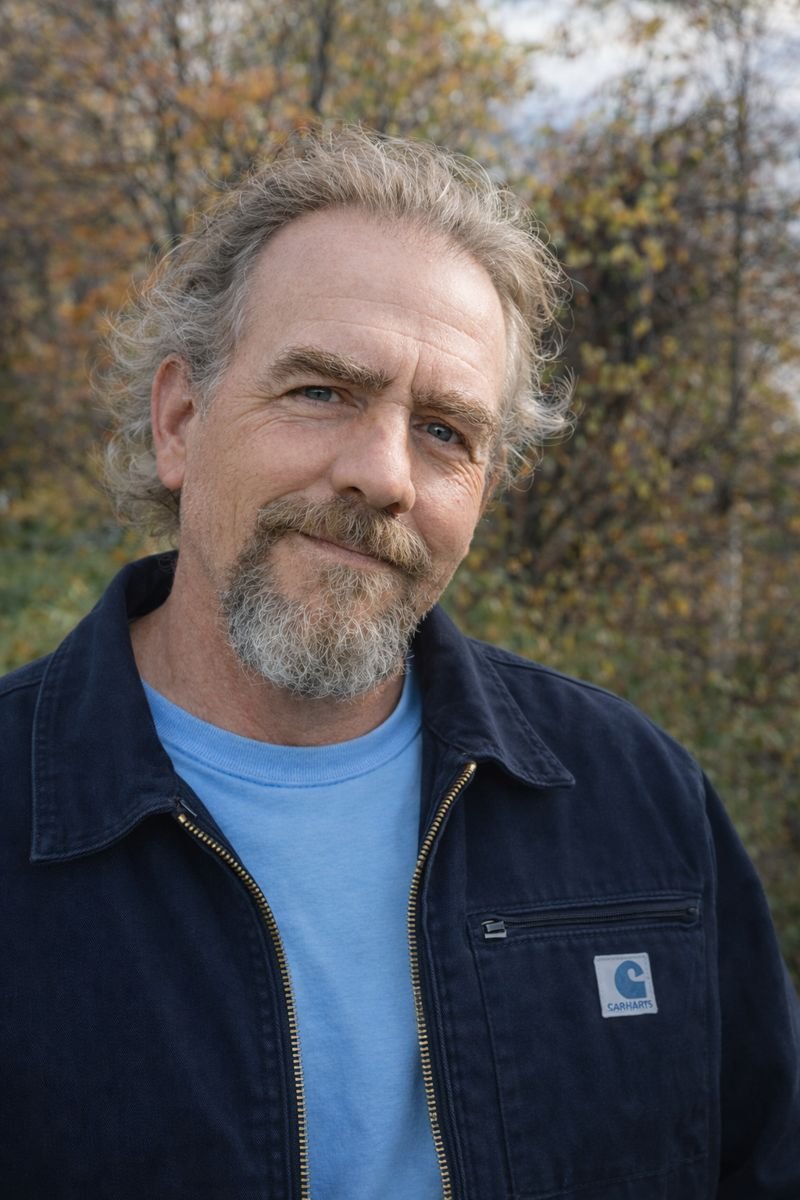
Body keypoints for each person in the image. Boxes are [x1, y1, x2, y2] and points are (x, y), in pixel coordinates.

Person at [0, 127, 797, 1200]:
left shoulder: (639, 807)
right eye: (321, 391)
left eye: (443, 432)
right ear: (180, 422)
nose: (383, 475)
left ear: (485, 492)